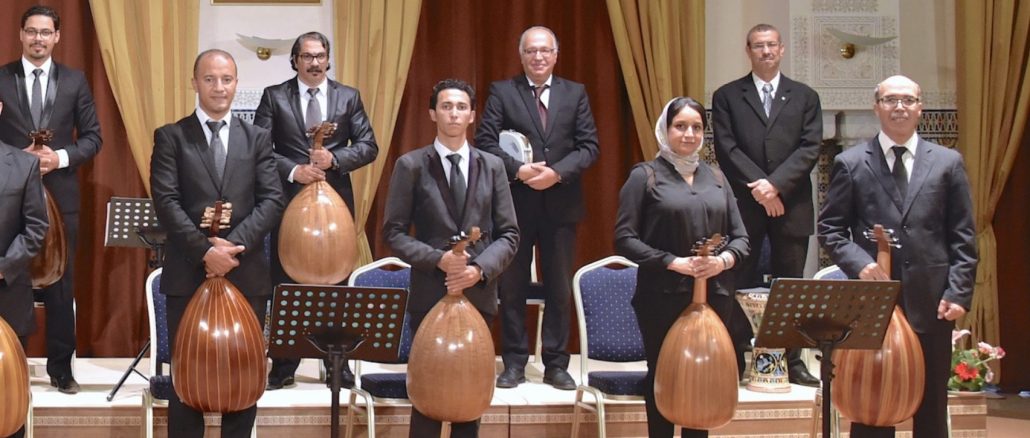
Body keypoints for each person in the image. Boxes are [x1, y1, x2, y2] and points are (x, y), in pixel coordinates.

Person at [818, 75, 977, 438]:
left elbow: (963, 235)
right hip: (872, 304)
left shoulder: (948, 162)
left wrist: (958, 292)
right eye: (890, 100)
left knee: (931, 404)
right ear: (877, 108)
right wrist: (861, 264)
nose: (899, 107)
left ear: (920, 108)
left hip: (933, 301)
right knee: (873, 402)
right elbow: (830, 229)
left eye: (908, 100)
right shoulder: (851, 162)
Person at [150, 49, 284, 438]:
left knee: (242, 374)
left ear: (236, 84)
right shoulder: (171, 136)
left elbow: (272, 200)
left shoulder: (257, 138)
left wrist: (230, 248)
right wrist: (205, 252)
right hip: (187, 274)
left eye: (226, 79)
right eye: (209, 79)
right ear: (194, 83)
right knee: (188, 377)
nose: (219, 87)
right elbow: (166, 202)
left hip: (246, 273)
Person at [383, 79, 518, 438]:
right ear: (433, 113)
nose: (454, 114)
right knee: (427, 397)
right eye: (446, 106)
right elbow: (393, 232)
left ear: (472, 115)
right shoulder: (411, 165)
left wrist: (479, 270)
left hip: (478, 295)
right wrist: (437, 259)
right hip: (430, 294)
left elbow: (509, 234)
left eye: (461, 107)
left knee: (468, 401)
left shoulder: (493, 166)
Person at [616, 97, 750, 438]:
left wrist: (721, 261)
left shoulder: (717, 176)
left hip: (715, 296)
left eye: (696, 127)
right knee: (664, 376)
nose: (689, 134)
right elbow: (624, 239)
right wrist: (674, 262)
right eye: (680, 126)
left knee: (702, 380)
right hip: (661, 296)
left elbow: (741, 239)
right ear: (665, 129)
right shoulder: (644, 176)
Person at [474, 25, 599, 390]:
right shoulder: (503, 91)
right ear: (522, 55)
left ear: (556, 55)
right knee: (512, 287)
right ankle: (514, 361)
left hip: (561, 206)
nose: (538, 57)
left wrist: (556, 174)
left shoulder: (575, 93)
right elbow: (485, 141)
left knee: (559, 287)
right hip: (514, 205)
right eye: (531, 51)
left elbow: (589, 147)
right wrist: (520, 171)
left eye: (545, 50)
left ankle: (556, 364)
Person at [254, 30, 378, 391]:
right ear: (295, 61)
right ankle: (284, 364)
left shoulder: (348, 97)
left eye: (320, 56)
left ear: (328, 59)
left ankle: (337, 363)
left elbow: (368, 145)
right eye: (307, 56)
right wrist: (295, 170)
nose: (314, 63)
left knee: (336, 281)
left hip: (335, 202)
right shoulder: (274, 96)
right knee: (285, 281)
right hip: (288, 200)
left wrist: (334, 159)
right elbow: (259, 148)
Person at [711, 23, 822, 387]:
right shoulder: (727, 96)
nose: (766, 51)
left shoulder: (805, 96)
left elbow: (810, 147)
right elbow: (727, 148)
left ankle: (793, 360)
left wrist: (775, 186)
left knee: (791, 285)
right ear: (748, 51)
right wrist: (761, 188)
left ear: (782, 49)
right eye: (759, 46)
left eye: (772, 45)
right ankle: (736, 353)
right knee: (737, 279)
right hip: (745, 205)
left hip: (791, 205)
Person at [0, 5, 102, 394]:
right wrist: (16, 159)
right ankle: (9, 364)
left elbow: (93, 138)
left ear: (57, 37)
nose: (38, 39)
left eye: (45, 32)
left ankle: (61, 368)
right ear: (20, 35)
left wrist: (57, 158)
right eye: (31, 31)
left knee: (61, 283)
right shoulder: (2, 78)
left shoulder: (75, 81)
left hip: (60, 196)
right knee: (10, 278)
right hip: (7, 197)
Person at [0, 100, 49, 438]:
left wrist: (4, 266)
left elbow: (36, 227)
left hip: (8, 295)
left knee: (8, 402)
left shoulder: (23, 164)